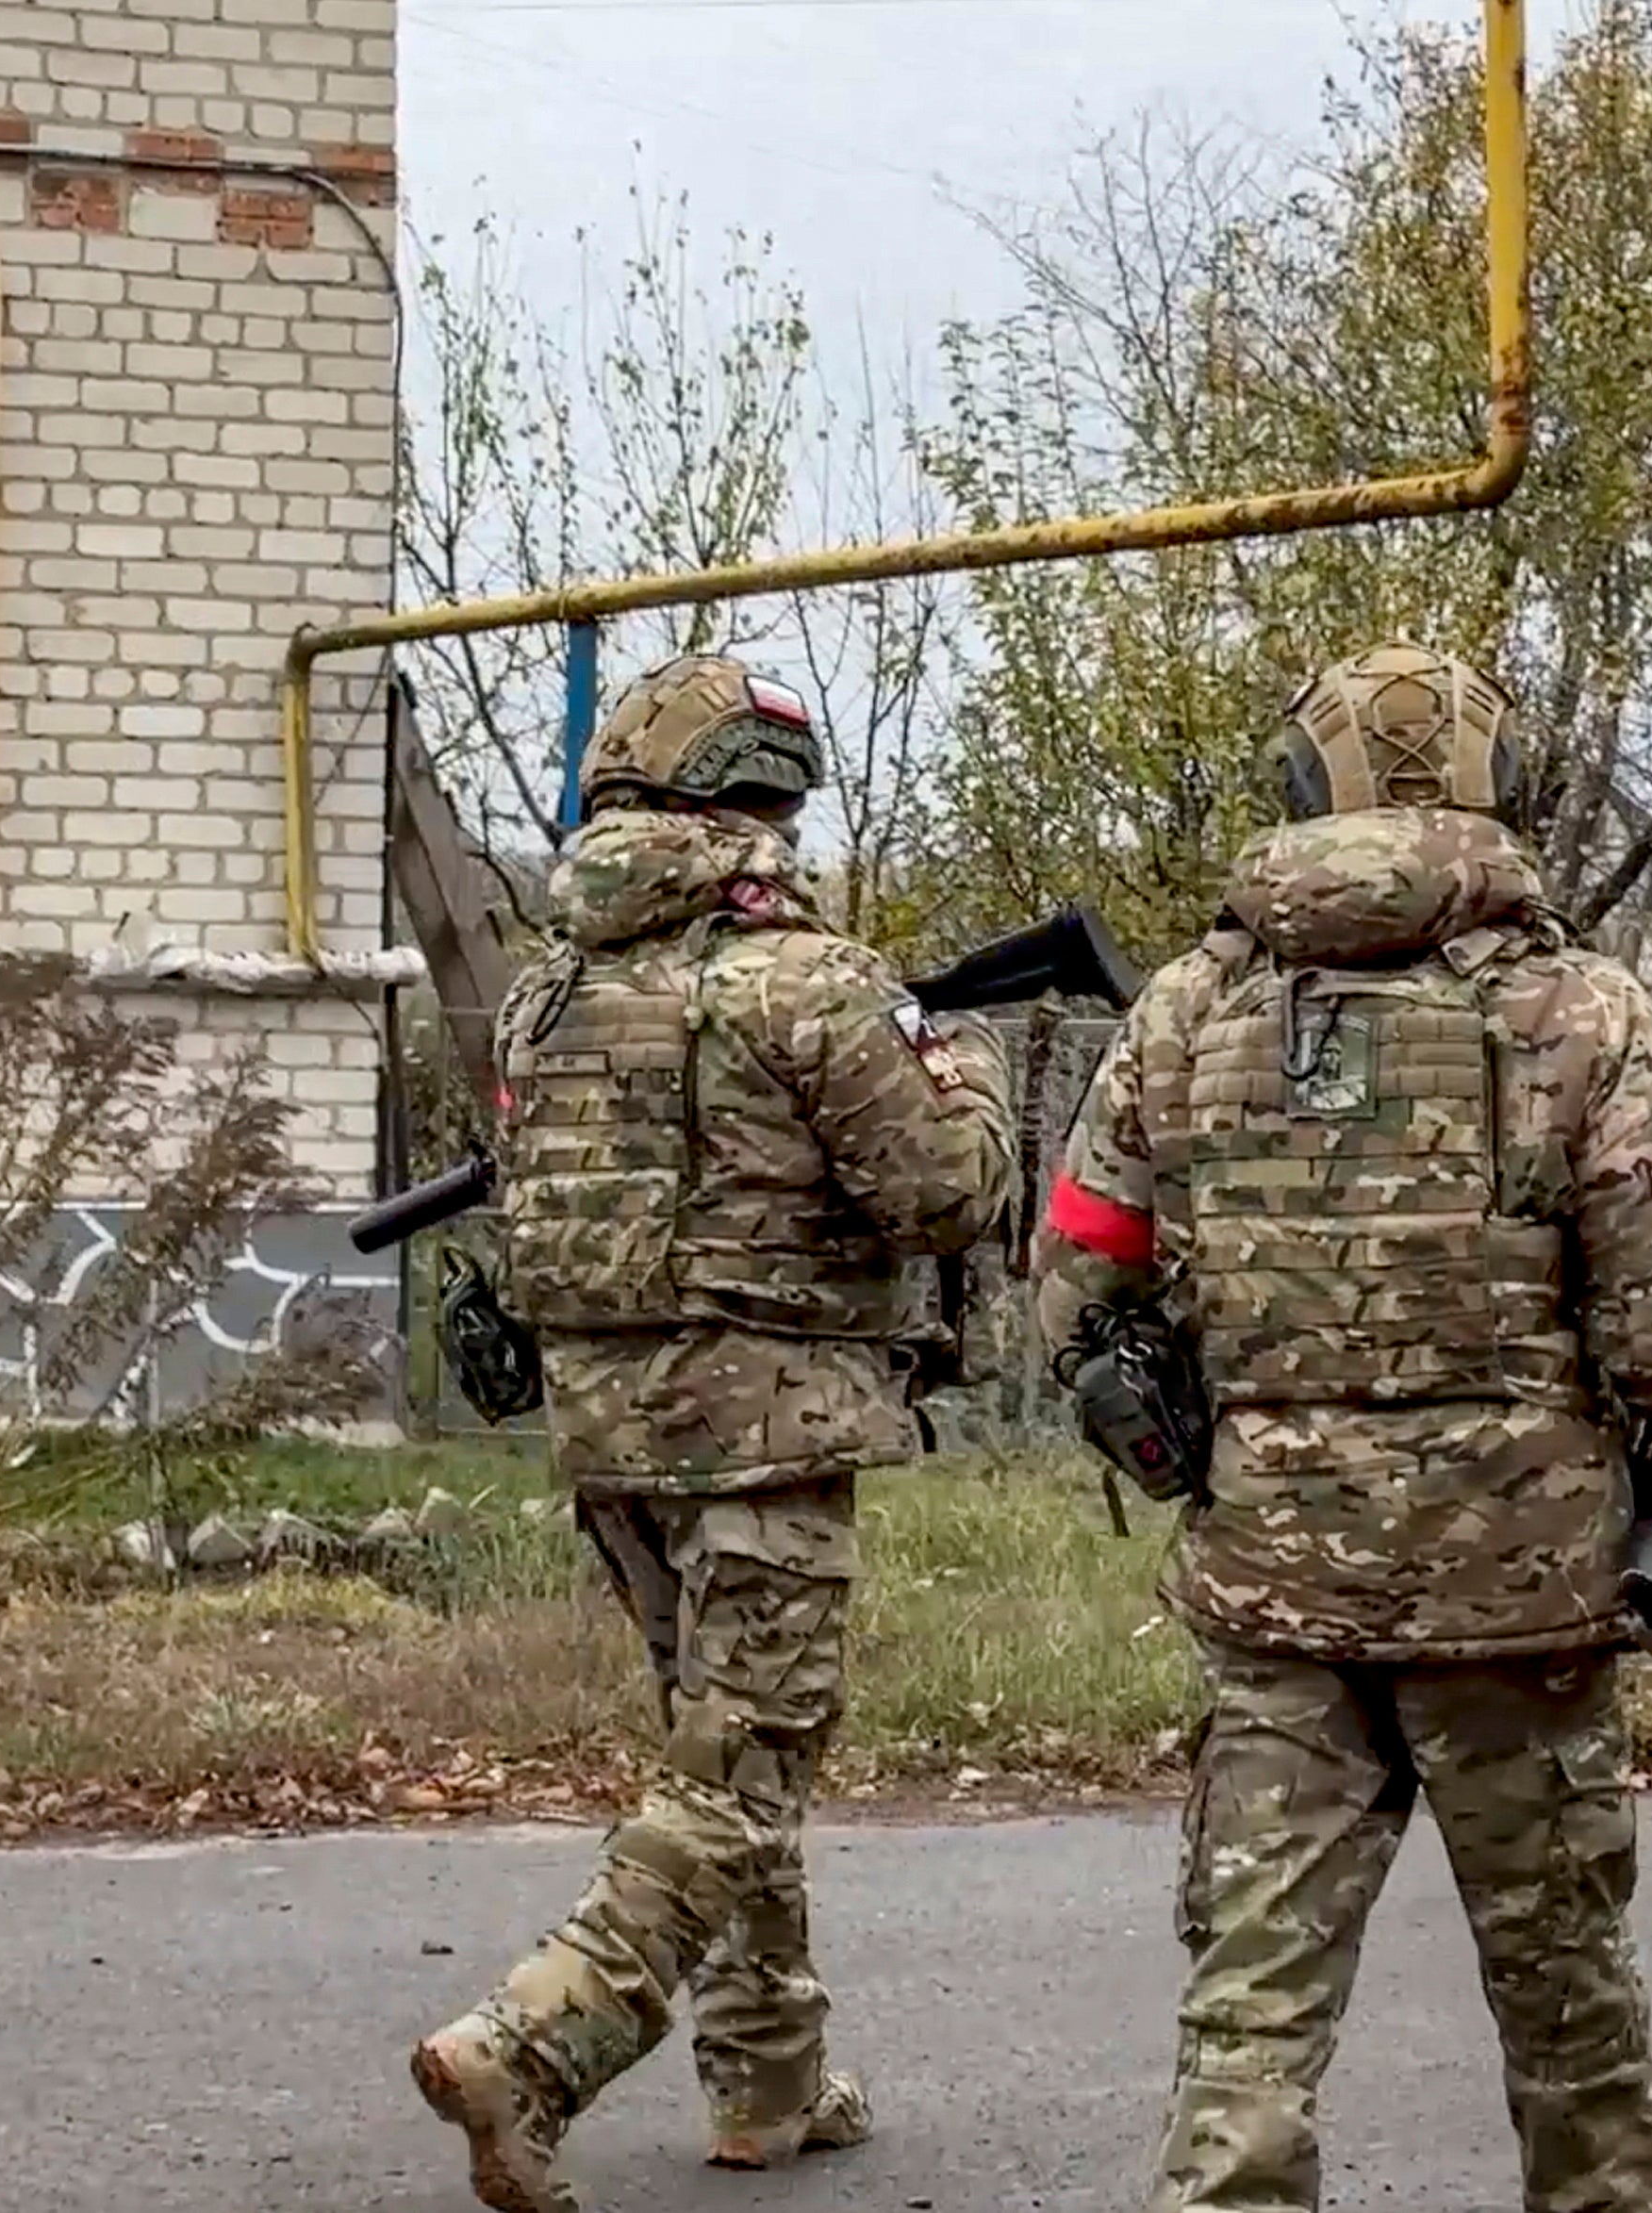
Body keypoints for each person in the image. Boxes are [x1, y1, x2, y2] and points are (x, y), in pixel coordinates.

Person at [1030, 642, 1652, 2213]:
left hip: (1273, 1589)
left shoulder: (1184, 1011)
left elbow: (1078, 1278)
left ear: (1305, 792)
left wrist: (1186, 1434)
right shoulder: (1582, 1013)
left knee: (1250, 2018)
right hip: (1521, 1597)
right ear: (1495, 791)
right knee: (1570, 2014)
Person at [411, 652, 1020, 2213]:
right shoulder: (804, 978)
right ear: (757, 800)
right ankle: (532, 2046)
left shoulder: (548, 990)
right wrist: (978, 1077)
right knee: (742, 1770)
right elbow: (946, 1189)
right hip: (770, 1428)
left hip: (609, 1434)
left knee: (720, 1747)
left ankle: (770, 2076)